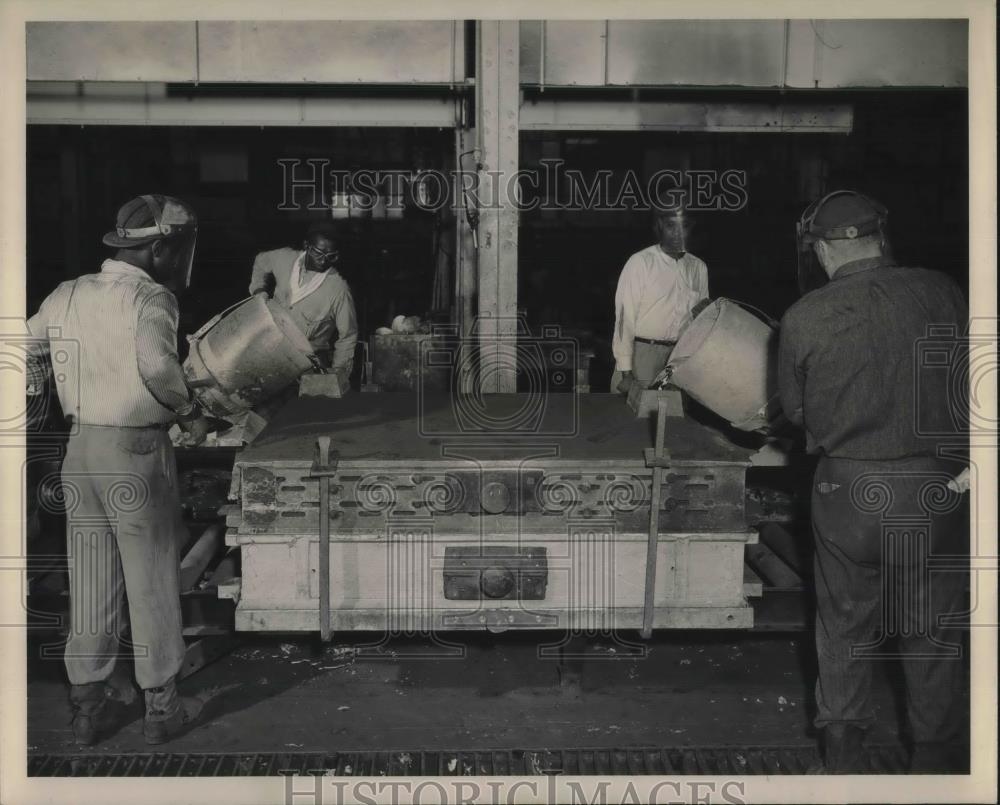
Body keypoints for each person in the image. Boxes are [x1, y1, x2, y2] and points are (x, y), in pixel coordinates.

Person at [778, 190, 969, 773]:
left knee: (842, 623)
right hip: (940, 487)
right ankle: (935, 762)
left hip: (850, 495)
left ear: (823, 249)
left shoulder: (805, 315)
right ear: (880, 237)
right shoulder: (944, 291)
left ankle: (843, 760)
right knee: (931, 627)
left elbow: (794, 411)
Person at [26, 194, 211, 746]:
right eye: (176, 250)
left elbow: (23, 347)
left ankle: (87, 709)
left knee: (91, 580)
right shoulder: (150, 299)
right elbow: (157, 367)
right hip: (134, 452)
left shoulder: (68, 293)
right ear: (159, 249)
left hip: (79, 451)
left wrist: (47, 392)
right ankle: (162, 709)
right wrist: (191, 411)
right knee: (151, 580)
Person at [611, 205, 709, 394]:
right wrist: (626, 373)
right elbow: (625, 320)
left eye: (684, 226)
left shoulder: (698, 267)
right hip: (641, 356)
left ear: (692, 228)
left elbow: (700, 322)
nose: (677, 233)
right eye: (670, 226)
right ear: (659, 227)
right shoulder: (641, 262)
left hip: (677, 361)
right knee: (630, 421)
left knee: (673, 419)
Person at [249, 220, 358, 381]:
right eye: (318, 253)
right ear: (306, 246)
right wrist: (259, 290)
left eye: (331, 256)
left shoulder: (338, 290)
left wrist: (337, 374)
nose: (323, 261)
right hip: (270, 350)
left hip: (306, 363)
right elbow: (260, 261)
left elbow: (348, 335)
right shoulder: (283, 258)